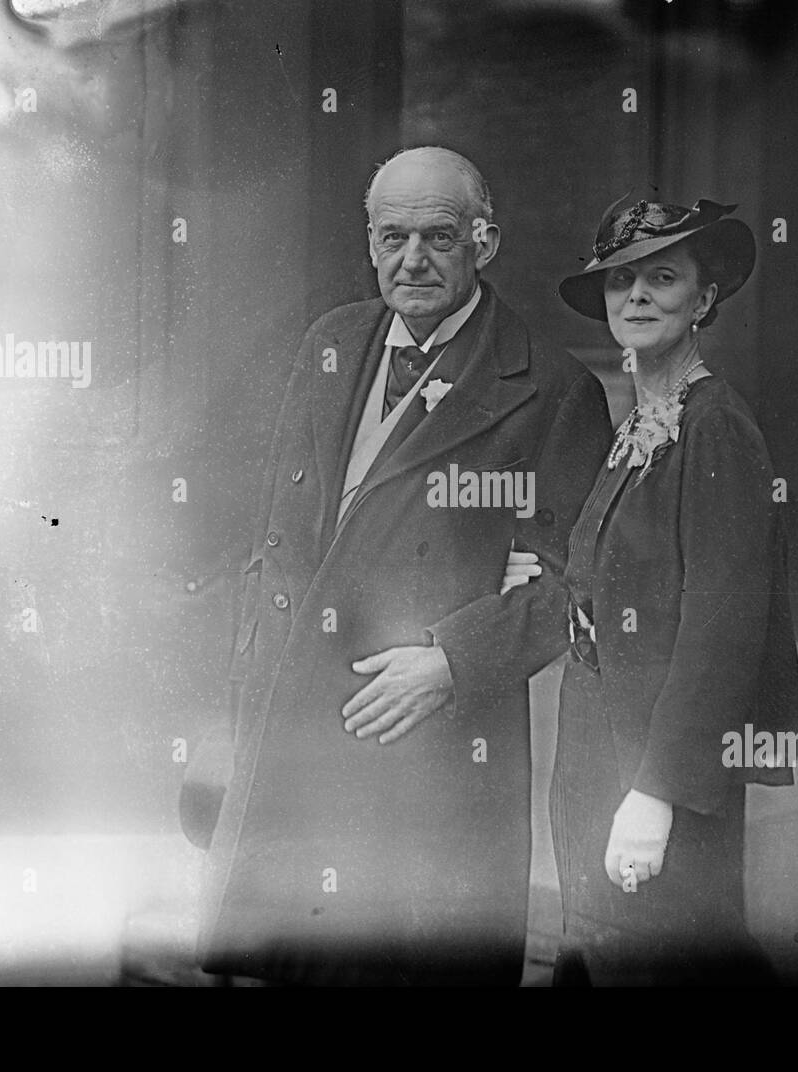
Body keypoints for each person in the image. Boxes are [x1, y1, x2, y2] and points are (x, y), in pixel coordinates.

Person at [192, 146, 612, 986]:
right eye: (392, 237)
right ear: (369, 240)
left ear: (484, 242)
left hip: (427, 732)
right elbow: (275, 539)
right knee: (294, 959)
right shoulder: (331, 343)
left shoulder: (550, 387)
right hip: (299, 718)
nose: (411, 260)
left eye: (439, 237)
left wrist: (454, 660)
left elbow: (579, 585)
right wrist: (244, 687)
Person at [507, 194, 798, 985]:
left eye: (662, 277)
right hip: (594, 746)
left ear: (704, 298)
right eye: (620, 282)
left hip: (658, 770)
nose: (635, 296)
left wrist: (656, 792)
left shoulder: (715, 428)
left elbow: (722, 629)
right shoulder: (639, 423)